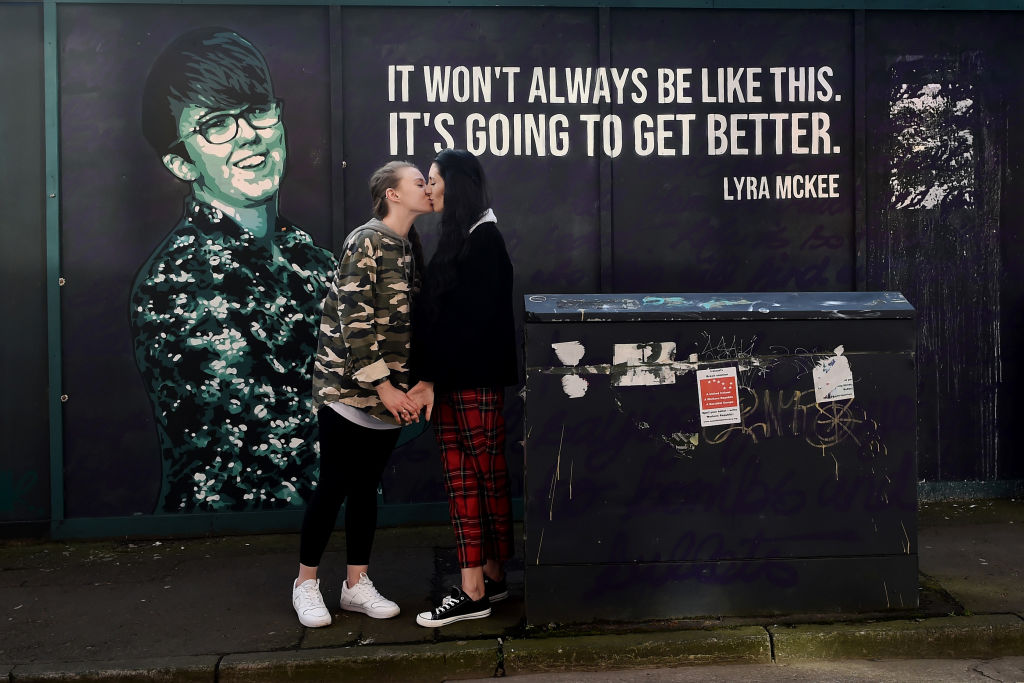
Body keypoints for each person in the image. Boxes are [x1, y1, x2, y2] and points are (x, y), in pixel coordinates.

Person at [131, 27, 334, 513]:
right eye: (216, 124)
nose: (248, 134)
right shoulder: (177, 283)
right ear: (181, 163)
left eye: (258, 110)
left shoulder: (314, 259)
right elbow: (283, 441)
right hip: (229, 541)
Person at [291, 161, 434, 628]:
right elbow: (355, 321)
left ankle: (355, 585)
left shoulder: (410, 246)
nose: (427, 188)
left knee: (366, 488)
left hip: (389, 393)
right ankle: (305, 584)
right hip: (349, 389)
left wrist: (413, 383)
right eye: (419, 182)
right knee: (334, 484)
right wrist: (385, 387)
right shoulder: (366, 239)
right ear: (392, 194)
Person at [410, 149, 518, 628]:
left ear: (455, 184)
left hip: (465, 385)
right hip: (466, 385)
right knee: (482, 479)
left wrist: (428, 379)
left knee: (468, 484)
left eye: (433, 179)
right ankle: (491, 577)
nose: (428, 187)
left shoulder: (481, 242)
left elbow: (461, 327)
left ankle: (474, 590)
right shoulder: (472, 238)